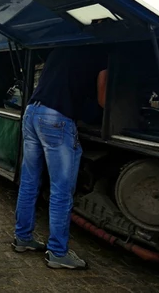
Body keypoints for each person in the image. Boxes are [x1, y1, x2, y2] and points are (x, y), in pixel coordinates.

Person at [13, 46, 108, 270]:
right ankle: (57, 252)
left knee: (29, 182)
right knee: (61, 190)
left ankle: (22, 238)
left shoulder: (62, 44)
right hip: (56, 118)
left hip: (32, 112)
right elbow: (103, 99)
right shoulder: (102, 52)